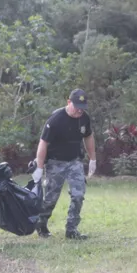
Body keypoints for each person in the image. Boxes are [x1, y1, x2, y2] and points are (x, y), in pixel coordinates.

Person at [31, 89, 97, 240]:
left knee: (78, 195)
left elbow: (88, 136)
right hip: (55, 162)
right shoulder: (56, 119)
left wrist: (93, 158)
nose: (79, 110)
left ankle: (71, 229)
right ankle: (42, 224)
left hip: (75, 161)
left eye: (82, 107)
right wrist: (39, 168)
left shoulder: (84, 118)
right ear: (69, 102)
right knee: (50, 198)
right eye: (76, 106)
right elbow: (43, 143)